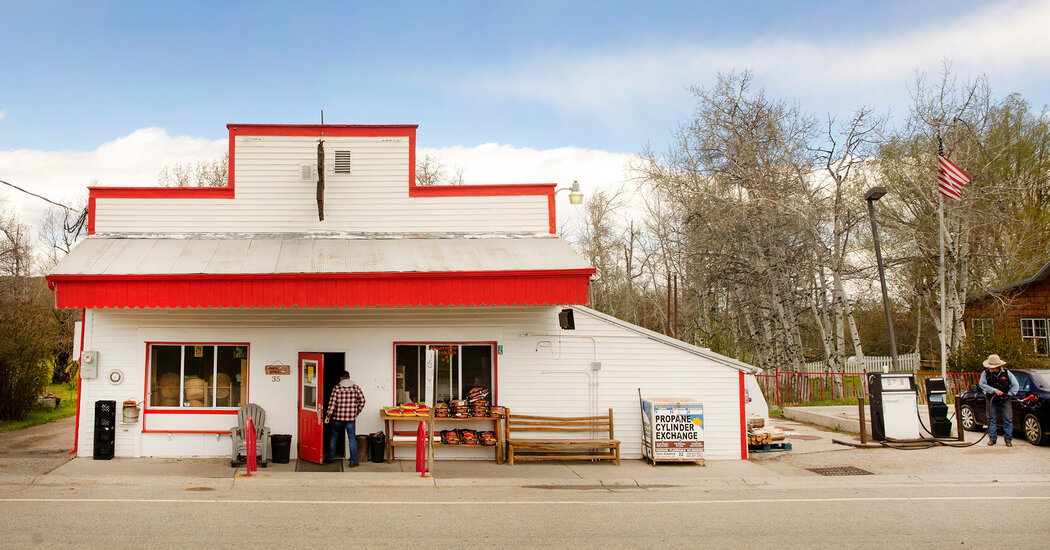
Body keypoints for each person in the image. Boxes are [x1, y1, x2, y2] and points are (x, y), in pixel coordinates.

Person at [324, 370, 366, 465]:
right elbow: (362, 401)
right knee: (352, 439)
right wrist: (356, 411)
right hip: (350, 418)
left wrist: (328, 416)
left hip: (337, 418)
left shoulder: (337, 388)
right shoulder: (356, 388)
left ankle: (330, 458)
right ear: (349, 377)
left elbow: (332, 404)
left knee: (333, 436)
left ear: (341, 378)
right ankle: (353, 461)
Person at [977, 354, 1019, 447]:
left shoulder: (1007, 373)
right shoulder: (985, 373)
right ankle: (992, 438)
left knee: (1008, 419)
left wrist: (1009, 394)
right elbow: (982, 384)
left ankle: (1008, 439)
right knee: (991, 418)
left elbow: (1015, 385)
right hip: (991, 398)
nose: (991, 369)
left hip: (1005, 399)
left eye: (993, 367)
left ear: (998, 366)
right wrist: (994, 391)